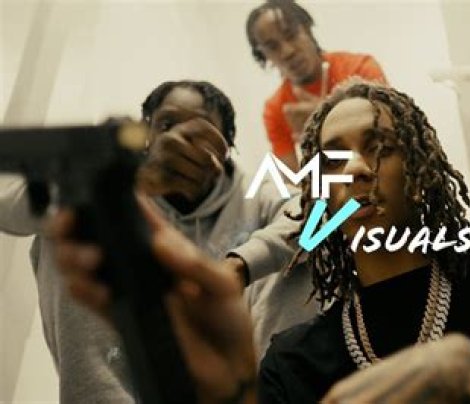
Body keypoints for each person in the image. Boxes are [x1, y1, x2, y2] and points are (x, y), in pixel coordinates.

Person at [51, 81, 470, 403]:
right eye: (333, 160)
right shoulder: (296, 360)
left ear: (421, 172)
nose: (357, 169)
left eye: (380, 147)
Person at [0, 80, 298, 402]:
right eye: (167, 125)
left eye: (201, 129)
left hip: (216, 382)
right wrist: (126, 181)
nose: (179, 139)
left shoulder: (253, 189)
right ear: (146, 136)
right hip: (106, 383)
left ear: (228, 146)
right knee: (72, 221)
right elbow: (7, 207)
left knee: (304, 252)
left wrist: (241, 265)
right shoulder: (112, 179)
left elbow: (317, 218)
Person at [246, 0, 387, 172]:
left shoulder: (359, 68)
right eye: (273, 47)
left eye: (291, 35)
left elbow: (390, 134)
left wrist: (327, 120)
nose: (287, 51)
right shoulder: (276, 109)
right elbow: (292, 180)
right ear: (264, 55)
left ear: (307, 29)